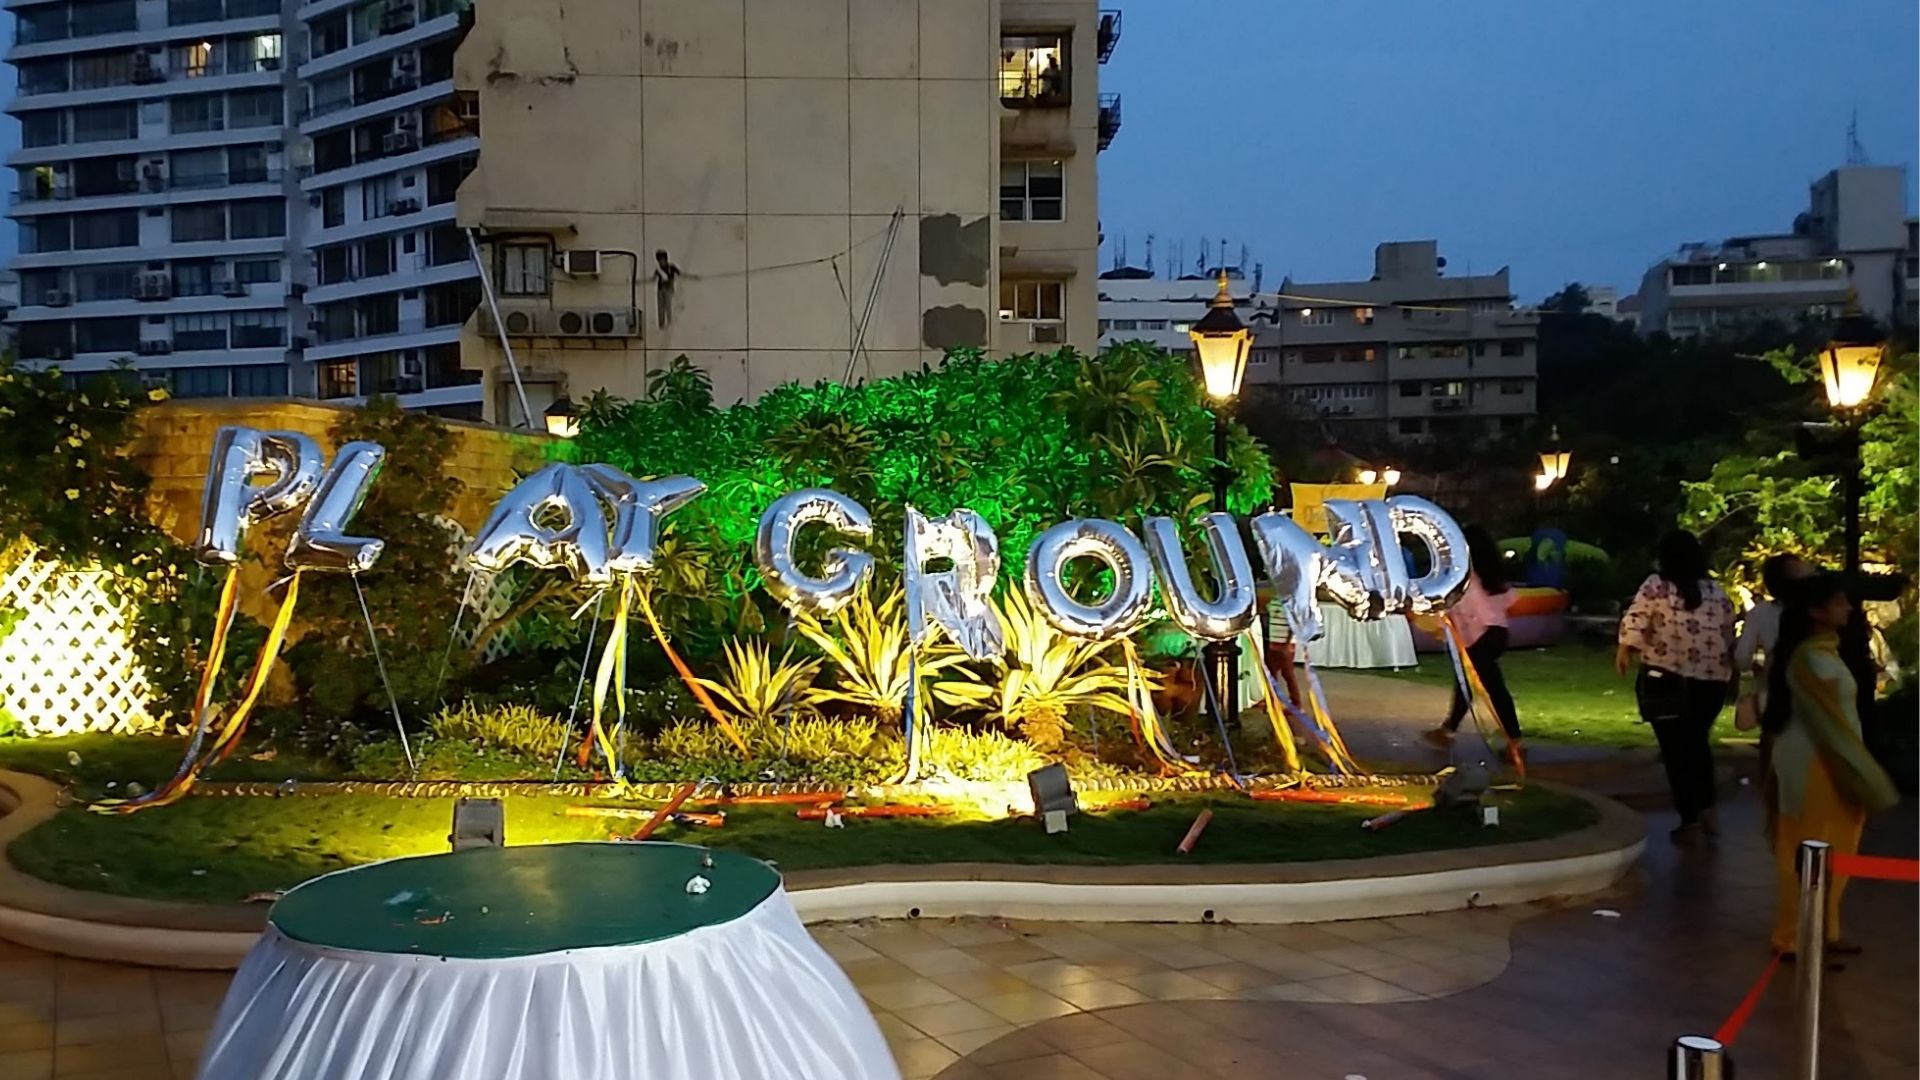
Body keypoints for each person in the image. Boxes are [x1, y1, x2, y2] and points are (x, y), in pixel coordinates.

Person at [1761, 573, 1899, 957]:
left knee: (1836, 846)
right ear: (1816, 612)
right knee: (1807, 848)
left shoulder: (1821, 654)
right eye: (1839, 602)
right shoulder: (1809, 659)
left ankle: (1824, 929)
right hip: (1816, 766)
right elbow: (1830, 724)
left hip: (1826, 762)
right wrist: (1861, 770)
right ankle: (1793, 936)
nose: (1848, 608)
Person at [1616, 530, 1738, 842]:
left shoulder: (1657, 585)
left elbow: (1636, 618)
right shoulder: (1716, 591)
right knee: (1698, 744)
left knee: (1674, 751)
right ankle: (1707, 806)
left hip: (1667, 678)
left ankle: (1690, 818)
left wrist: (1625, 649)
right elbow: (1727, 633)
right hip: (1711, 682)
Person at [1424, 525, 1520, 748]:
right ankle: (1448, 730)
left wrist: (1443, 620)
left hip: (1482, 636)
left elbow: (1465, 607)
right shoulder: (1489, 575)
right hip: (1496, 634)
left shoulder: (1467, 579)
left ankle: (1515, 742)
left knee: (1489, 688)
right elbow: (1509, 600)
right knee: (1470, 685)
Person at [1733, 553, 1813, 730]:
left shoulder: (1760, 613)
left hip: (1773, 689)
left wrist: (1755, 666)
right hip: (1812, 688)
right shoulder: (1817, 611)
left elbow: (1742, 658)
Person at [653, 249, 682, 330]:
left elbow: (680, 274)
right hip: (660, 290)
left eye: (662, 259)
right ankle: (661, 325)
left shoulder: (671, 267)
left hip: (669, 289)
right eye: (659, 260)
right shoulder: (658, 270)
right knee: (660, 308)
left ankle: (670, 323)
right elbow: (653, 279)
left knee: (668, 306)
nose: (661, 262)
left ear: (665, 259)